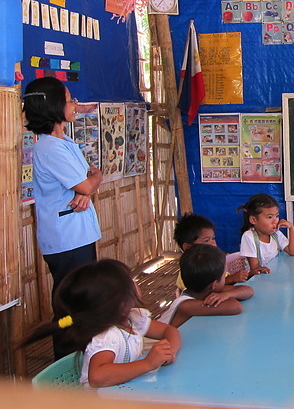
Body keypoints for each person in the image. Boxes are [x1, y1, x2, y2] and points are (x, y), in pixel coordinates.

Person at [22, 77, 103, 359]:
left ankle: (84, 358)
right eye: (69, 99)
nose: (74, 104)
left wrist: (90, 183)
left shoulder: (65, 141)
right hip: (67, 240)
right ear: (54, 106)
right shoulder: (50, 147)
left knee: (83, 301)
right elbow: (85, 182)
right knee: (71, 307)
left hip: (78, 233)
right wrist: (91, 183)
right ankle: (68, 362)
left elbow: (89, 177)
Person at [20, 259, 181, 388]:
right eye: (130, 281)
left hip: (126, 391)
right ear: (116, 300)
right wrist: (148, 363)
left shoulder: (133, 318)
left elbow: (170, 330)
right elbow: (97, 377)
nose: (135, 282)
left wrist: (169, 351)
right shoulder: (107, 335)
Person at [161, 244, 254, 327]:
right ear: (214, 284)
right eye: (224, 276)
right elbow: (235, 307)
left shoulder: (205, 290)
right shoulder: (186, 305)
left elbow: (248, 290)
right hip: (159, 343)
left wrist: (227, 294)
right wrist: (227, 294)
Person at [173, 213, 249, 291]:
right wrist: (231, 279)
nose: (213, 244)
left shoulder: (213, 262)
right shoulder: (191, 271)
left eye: (213, 238)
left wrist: (250, 274)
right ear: (188, 247)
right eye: (206, 241)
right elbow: (202, 292)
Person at [238, 194, 294, 276]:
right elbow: (255, 269)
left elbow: (293, 252)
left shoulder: (276, 234)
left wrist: (291, 228)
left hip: (273, 276)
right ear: (253, 220)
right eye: (270, 217)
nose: (275, 221)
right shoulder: (248, 237)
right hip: (257, 280)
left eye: (277, 216)